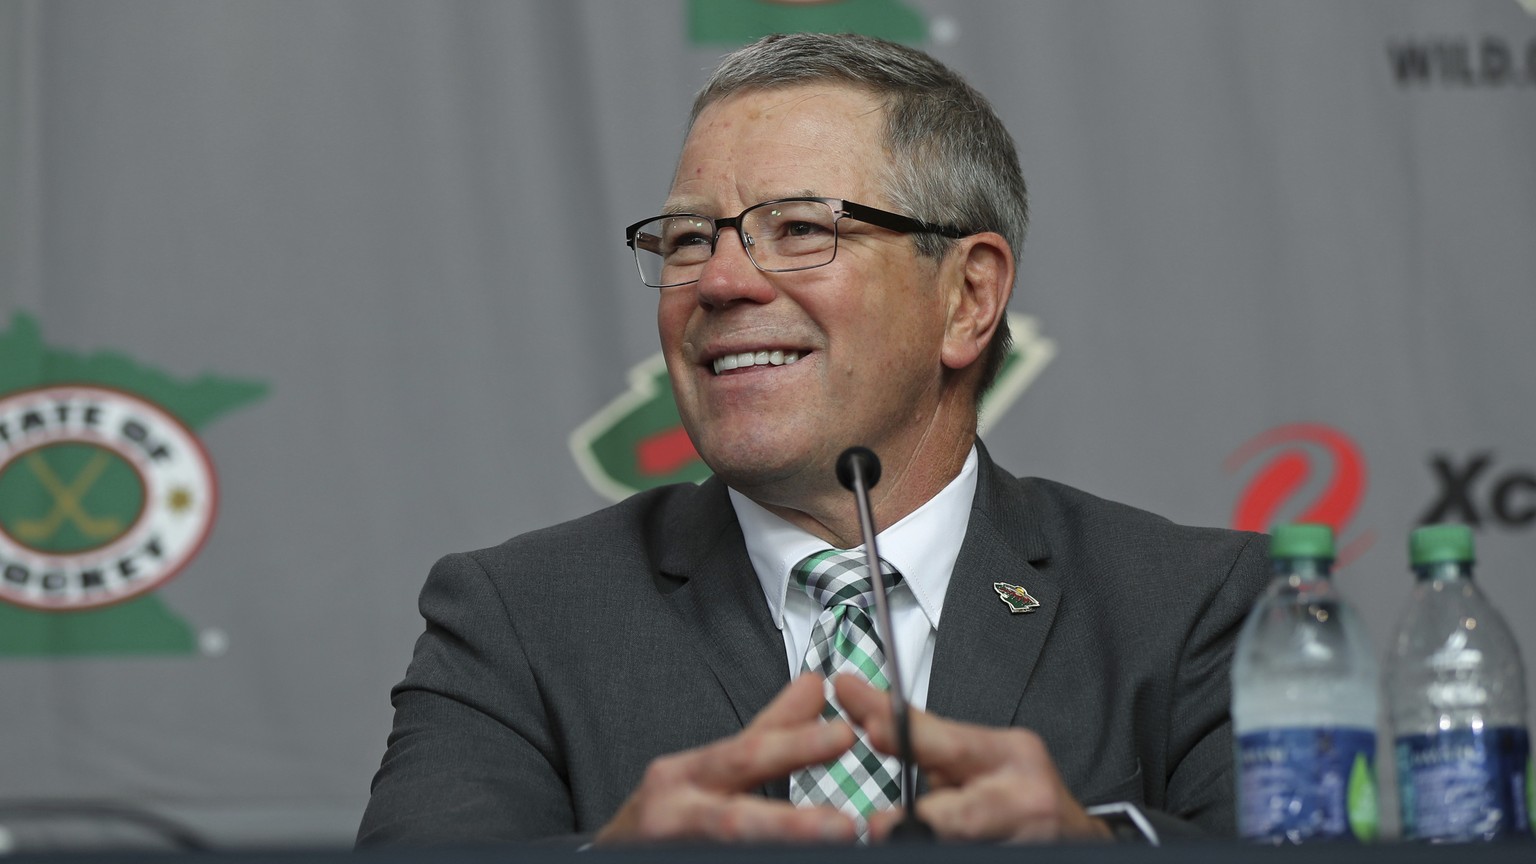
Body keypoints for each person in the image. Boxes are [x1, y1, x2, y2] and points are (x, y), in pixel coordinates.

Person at [357, 32, 1269, 848]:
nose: (717, 282)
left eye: (797, 229)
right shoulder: (517, 617)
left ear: (969, 298)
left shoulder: (1196, 609)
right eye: (684, 240)